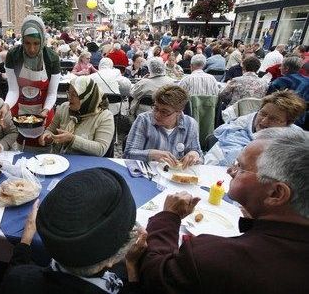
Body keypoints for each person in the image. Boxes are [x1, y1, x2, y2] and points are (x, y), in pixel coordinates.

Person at [139, 132, 309, 294]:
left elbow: (153, 274)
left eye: (240, 167)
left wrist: (169, 216)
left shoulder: (217, 257)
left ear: (276, 194)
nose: (230, 171)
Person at [0, 168, 147, 294]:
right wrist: (132, 266)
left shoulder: (18, 281)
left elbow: (16, 276)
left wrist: (25, 242)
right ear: (112, 260)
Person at [0, 15, 60, 149]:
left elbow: (52, 93)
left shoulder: (51, 58)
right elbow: (13, 90)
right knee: (21, 150)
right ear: (22, 41)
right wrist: (6, 105)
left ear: (42, 40)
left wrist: (46, 110)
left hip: (44, 110)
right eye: (27, 43)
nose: (32, 49)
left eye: (36, 43)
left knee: (44, 150)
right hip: (19, 111)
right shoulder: (13, 56)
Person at [205, 90, 305, 166]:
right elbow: (213, 163)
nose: (264, 121)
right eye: (262, 113)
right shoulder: (236, 131)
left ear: (288, 124)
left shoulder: (297, 140)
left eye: (274, 119)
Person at [124, 85, 202, 168]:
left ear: (179, 112)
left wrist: (195, 155)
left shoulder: (190, 124)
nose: (157, 115)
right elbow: (128, 154)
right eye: (156, 108)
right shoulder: (144, 120)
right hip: (147, 174)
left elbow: (199, 155)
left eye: (164, 112)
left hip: (175, 176)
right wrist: (152, 154)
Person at [38, 76, 114, 157]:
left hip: (87, 165)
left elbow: (101, 149)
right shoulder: (64, 107)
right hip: (59, 161)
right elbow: (51, 130)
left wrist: (72, 139)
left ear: (87, 97)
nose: (69, 98)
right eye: (68, 93)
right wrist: (46, 137)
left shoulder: (105, 116)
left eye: (74, 94)